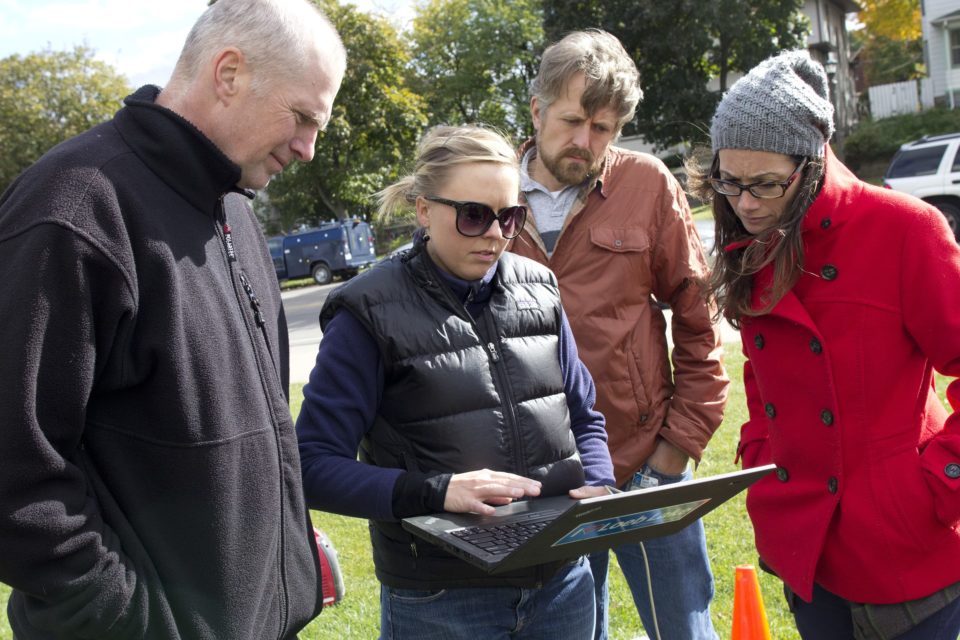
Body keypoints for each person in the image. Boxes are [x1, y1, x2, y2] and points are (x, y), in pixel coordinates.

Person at [0, 0, 346, 637]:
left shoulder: (235, 209)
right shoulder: (73, 209)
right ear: (230, 72)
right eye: (302, 118)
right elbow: (16, 475)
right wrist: (136, 621)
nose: (307, 148)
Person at [296, 124, 616, 639]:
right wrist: (435, 491)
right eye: (474, 215)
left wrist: (598, 481)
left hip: (562, 579)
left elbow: (584, 415)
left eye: (510, 217)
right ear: (424, 210)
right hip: (442, 597)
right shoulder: (366, 311)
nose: (495, 234)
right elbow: (311, 465)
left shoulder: (540, 288)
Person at [685, 49, 960, 639]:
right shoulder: (756, 243)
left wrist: (942, 481)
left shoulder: (905, 230)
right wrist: (762, 447)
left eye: (764, 184)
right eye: (727, 182)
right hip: (804, 537)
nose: (745, 203)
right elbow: (765, 370)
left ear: (811, 165)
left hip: (904, 542)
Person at [508, 29, 730, 640]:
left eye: (603, 128)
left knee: (683, 630)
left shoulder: (647, 185)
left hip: (642, 465)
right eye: (573, 120)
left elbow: (698, 314)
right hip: (546, 480)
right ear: (536, 108)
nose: (585, 142)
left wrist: (677, 447)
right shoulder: (488, 192)